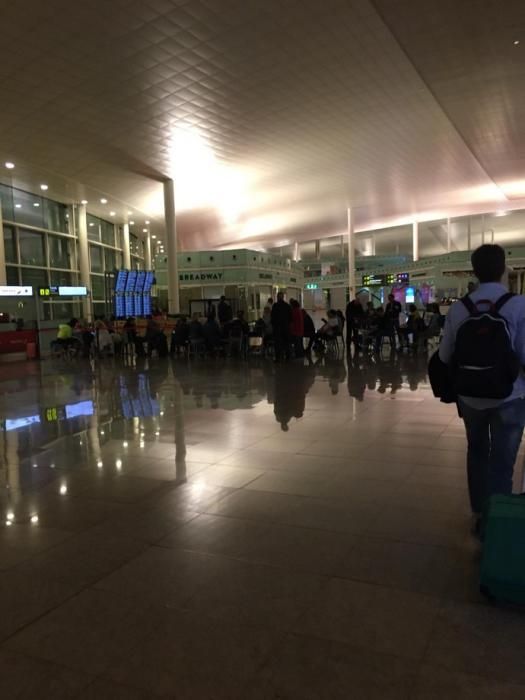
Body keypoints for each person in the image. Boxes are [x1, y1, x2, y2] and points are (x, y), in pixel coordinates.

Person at [439, 244, 525, 534]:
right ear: (504, 269)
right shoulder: (518, 305)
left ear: (474, 271)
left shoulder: (459, 308)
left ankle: (478, 513)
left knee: (477, 452)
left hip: (470, 397)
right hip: (510, 397)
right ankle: (495, 524)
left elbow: (444, 356)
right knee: (502, 461)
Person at [271, 292, 292, 361]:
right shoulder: (287, 306)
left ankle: (278, 357)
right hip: (286, 328)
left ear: (277, 297)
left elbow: (272, 317)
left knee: (278, 343)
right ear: (283, 297)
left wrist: (274, 325)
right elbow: (290, 317)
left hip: (277, 328)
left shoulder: (275, 306)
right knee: (287, 342)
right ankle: (288, 356)